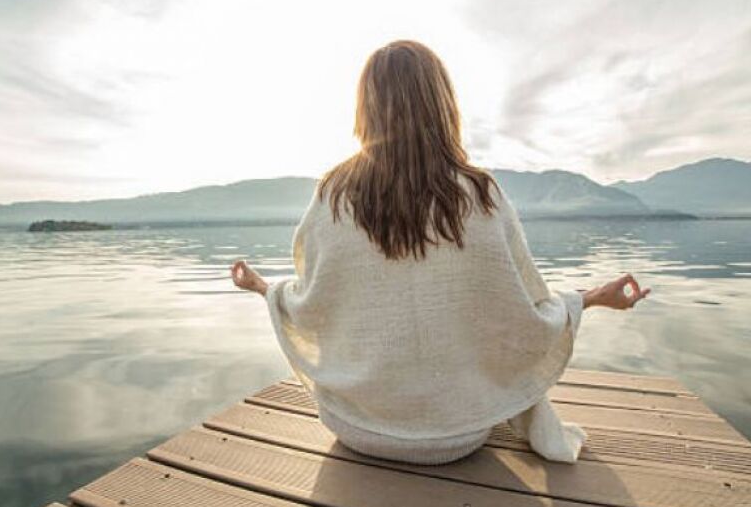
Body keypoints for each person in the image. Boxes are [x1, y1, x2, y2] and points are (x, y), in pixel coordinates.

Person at [230, 39, 649, 466]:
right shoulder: (480, 194)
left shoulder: (333, 195)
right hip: (458, 435)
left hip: (355, 426)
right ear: (442, 103)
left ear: (365, 108)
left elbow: (311, 301)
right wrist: (594, 297)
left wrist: (263, 288)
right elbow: (522, 315)